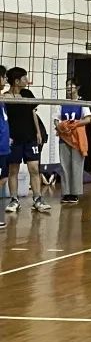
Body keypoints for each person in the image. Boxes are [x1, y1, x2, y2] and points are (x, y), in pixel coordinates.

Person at [4, 67, 48, 214]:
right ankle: (14, 200)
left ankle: (37, 199)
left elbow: (33, 112)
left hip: (30, 138)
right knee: (13, 170)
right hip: (14, 139)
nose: (27, 81)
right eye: (24, 78)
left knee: (34, 168)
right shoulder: (5, 98)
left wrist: (38, 132)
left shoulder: (27, 94)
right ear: (17, 81)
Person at [57, 78, 91, 204]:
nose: (68, 87)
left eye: (71, 85)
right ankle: (66, 193)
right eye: (67, 85)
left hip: (77, 138)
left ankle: (75, 193)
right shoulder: (62, 103)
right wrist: (62, 127)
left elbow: (88, 119)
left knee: (76, 165)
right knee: (65, 166)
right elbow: (56, 119)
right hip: (64, 138)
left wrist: (74, 124)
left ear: (77, 87)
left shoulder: (82, 103)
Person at [0, 65, 9, 229]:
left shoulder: (3, 100)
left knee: (3, 179)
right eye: (4, 76)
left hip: (4, 147)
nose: (6, 79)